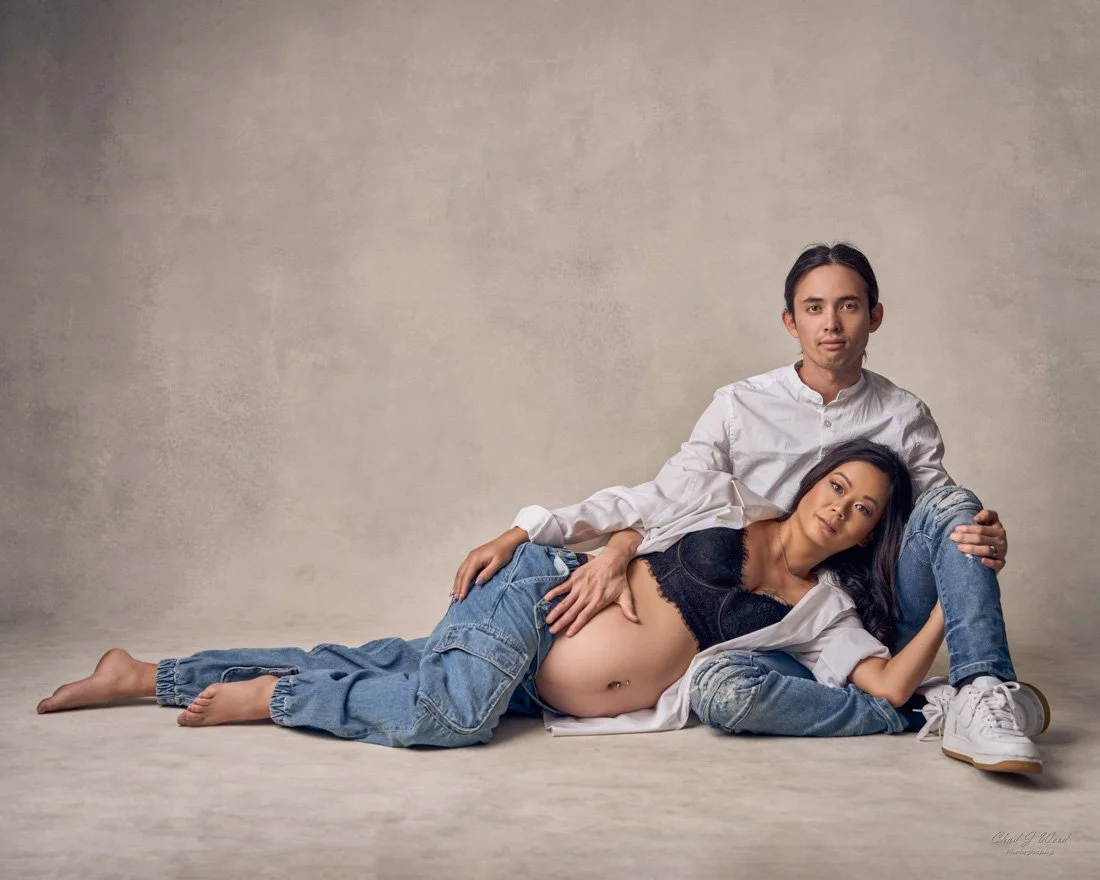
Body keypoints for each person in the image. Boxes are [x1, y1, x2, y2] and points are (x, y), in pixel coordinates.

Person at [458, 242, 1048, 774]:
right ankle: (920, 706)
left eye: (849, 306)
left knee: (958, 504)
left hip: (861, 610)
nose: (832, 324)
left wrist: (976, 539)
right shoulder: (740, 405)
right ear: (791, 321)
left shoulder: (903, 414)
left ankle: (983, 689)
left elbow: (938, 524)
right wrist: (611, 545)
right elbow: (664, 496)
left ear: (875, 316)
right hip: (763, 625)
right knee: (721, 691)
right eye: (814, 308)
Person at [38, 442, 949, 753]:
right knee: (448, 711)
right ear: (814, 484)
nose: (843, 510)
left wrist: (952, 598)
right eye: (839, 489)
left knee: (381, 668)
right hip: (534, 597)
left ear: (869, 533)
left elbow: (886, 687)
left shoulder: (822, 610)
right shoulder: (722, 500)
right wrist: (523, 533)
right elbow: (618, 509)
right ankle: (272, 700)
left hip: (539, 687)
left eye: (864, 511)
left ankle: (146, 675)